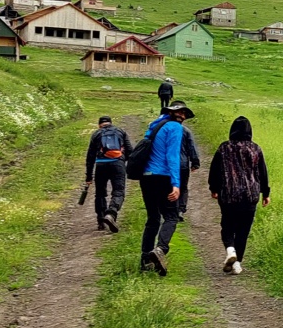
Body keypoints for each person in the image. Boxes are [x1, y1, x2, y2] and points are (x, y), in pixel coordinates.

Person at [137, 100, 194, 275]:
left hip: (146, 177)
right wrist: (176, 184)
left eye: (184, 113)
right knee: (171, 216)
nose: (182, 116)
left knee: (153, 218)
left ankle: (145, 259)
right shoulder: (175, 128)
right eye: (180, 113)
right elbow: (172, 156)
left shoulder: (154, 125)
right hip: (163, 177)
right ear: (171, 113)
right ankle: (160, 249)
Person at [209, 115, 269, 274]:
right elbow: (262, 172)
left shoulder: (224, 148)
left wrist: (213, 188)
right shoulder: (255, 148)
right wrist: (266, 193)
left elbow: (215, 169)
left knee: (227, 225)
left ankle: (230, 251)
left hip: (228, 194)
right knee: (243, 230)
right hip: (250, 195)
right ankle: (237, 264)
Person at [84, 115, 131, 232]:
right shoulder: (120, 131)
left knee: (100, 193)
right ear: (111, 123)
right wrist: (121, 161)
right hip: (117, 164)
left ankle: (100, 221)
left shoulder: (96, 134)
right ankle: (111, 213)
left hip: (101, 165)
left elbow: (90, 157)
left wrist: (89, 176)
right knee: (118, 191)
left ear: (99, 125)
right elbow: (130, 151)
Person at [178, 127, 202, 220]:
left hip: (167, 164)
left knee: (169, 186)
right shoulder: (186, 131)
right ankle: (180, 209)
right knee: (183, 187)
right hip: (183, 164)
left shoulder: (163, 129)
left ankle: (171, 209)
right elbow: (192, 147)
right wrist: (195, 162)